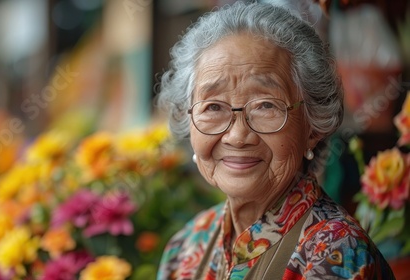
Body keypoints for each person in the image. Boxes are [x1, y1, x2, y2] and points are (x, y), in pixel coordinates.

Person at [155, 2, 395, 279]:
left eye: (265, 106)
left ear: (313, 125)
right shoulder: (184, 247)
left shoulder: (336, 252)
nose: (237, 136)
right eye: (213, 107)